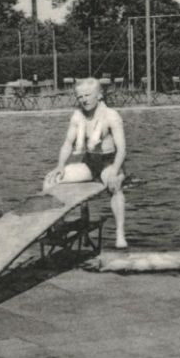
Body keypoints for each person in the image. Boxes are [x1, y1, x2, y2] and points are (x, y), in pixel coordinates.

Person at [43, 77, 129, 249]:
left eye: (88, 95)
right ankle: (58, 226)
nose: (84, 100)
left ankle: (120, 233)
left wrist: (115, 172)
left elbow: (122, 150)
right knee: (50, 180)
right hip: (90, 163)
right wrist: (60, 166)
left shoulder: (111, 116)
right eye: (80, 96)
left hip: (109, 162)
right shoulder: (77, 116)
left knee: (114, 186)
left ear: (99, 95)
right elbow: (68, 144)